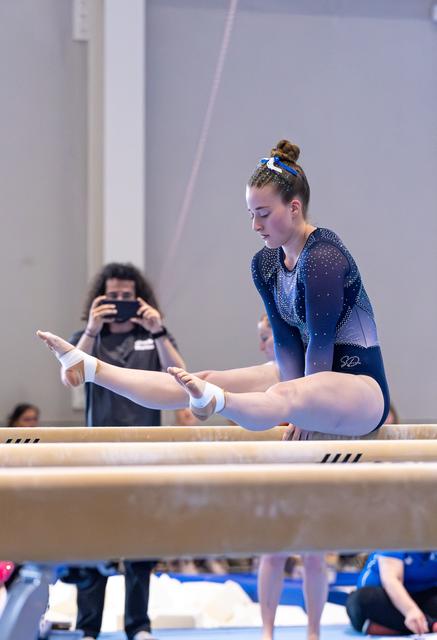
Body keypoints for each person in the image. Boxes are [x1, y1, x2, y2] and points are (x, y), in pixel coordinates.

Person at [37, 138, 390, 640]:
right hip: (309, 378)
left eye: (264, 214)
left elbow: (322, 344)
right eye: (250, 215)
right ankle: (91, 367)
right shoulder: (265, 265)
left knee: (284, 398)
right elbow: (287, 348)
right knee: (206, 378)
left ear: (295, 207)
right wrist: (297, 399)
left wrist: (303, 414)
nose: (256, 226)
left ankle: (220, 405)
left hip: (357, 386)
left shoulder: (325, 255)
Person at [69, 262, 187, 640]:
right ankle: (88, 626)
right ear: (99, 299)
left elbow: (184, 381)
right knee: (92, 543)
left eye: (126, 296)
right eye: (112, 296)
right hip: (96, 456)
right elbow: (71, 375)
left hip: (144, 453)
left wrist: (159, 331)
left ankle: (138, 624)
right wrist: (91, 329)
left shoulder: (153, 338)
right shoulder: (90, 337)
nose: (120, 303)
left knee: (140, 544)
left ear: (140, 299)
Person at [346, 551, 437, 636]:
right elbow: (392, 580)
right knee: (361, 601)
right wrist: (410, 610)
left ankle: (396, 628)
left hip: (425, 596)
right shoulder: (395, 536)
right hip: (386, 596)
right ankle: (430, 625)